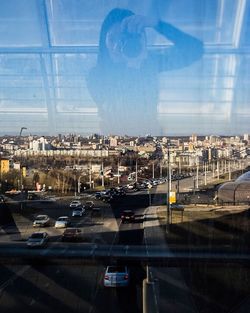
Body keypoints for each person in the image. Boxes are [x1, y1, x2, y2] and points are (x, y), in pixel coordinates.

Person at [87, 8, 203, 135]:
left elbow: (195, 49)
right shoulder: (96, 76)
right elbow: (121, 111)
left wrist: (157, 24)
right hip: (115, 140)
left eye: (125, 39)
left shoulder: (149, 61)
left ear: (141, 39)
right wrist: (133, 65)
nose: (118, 46)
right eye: (113, 39)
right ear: (103, 42)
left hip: (149, 137)